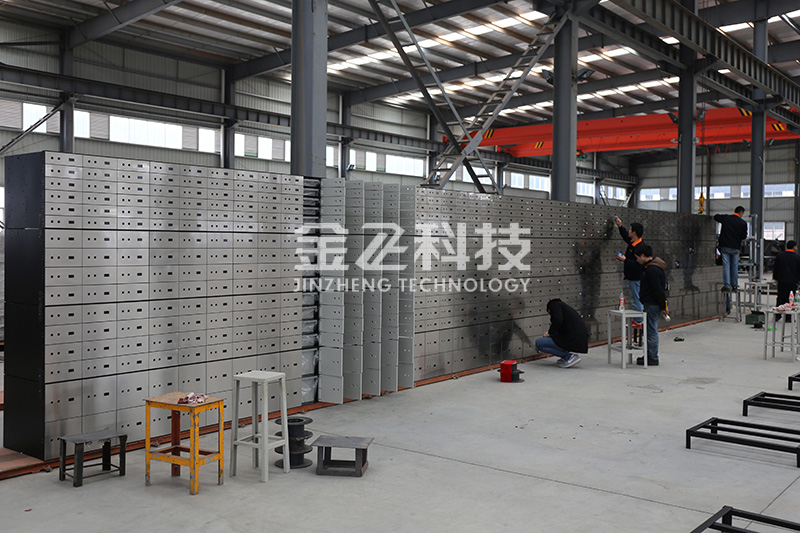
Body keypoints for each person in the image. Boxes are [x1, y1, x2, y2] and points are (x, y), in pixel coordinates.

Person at [614, 216, 645, 345]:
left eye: (631, 230)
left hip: (635, 277)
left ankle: (639, 320)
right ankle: (638, 319)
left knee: (636, 298)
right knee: (634, 298)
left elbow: (638, 265)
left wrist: (625, 260)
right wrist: (620, 226)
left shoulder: (640, 247)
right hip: (631, 276)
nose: (629, 232)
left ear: (635, 233)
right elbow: (626, 236)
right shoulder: (633, 243)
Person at [635, 245, 667, 366]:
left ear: (643, 255)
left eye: (638, 257)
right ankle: (649, 355)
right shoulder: (654, 267)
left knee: (651, 331)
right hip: (653, 303)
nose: (637, 260)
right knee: (650, 330)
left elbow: (657, 289)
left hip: (652, 304)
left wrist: (663, 306)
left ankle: (652, 357)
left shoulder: (651, 270)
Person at [534, 299, 588, 368]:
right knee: (551, 339)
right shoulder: (564, 308)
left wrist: (548, 333)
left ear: (549, 310)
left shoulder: (554, 305)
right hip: (578, 340)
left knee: (539, 343)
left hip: (572, 340)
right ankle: (567, 356)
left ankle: (569, 357)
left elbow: (557, 320)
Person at [714, 206, 748, 292]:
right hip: (736, 247)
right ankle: (735, 285)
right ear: (741, 213)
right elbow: (744, 236)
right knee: (734, 266)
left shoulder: (726, 218)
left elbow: (716, 217)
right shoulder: (743, 223)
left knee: (726, 266)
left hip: (725, 246)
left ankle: (727, 285)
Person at [773, 240, 800, 306]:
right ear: (794, 247)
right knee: (790, 299)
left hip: (781, 282)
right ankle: (789, 312)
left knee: (781, 298)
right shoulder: (797, 257)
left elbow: (775, 268)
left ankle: (779, 311)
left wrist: (776, 278)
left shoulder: (779, 256)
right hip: (793, 282)